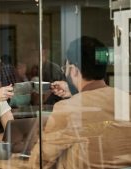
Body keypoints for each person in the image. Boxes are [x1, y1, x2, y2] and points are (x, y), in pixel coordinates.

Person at [29, 36, 131, 168]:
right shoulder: (126, 100)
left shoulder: (67, 108)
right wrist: (76, 94)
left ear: (74, 70)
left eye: (65, 67)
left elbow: (38, 161)